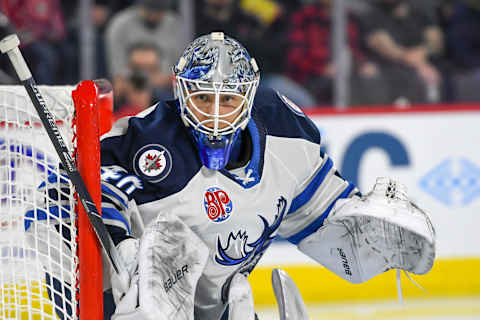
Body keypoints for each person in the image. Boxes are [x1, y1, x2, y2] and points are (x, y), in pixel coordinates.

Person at [29, 32, 435, 319]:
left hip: (214, 302)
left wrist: (358, 217)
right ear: (181, 92)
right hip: (123, 304)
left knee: (237, 297)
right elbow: (68, 192)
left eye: (229, 98)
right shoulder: (151, 140)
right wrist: (120, 250)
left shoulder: (284, 132)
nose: (216, 112)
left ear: (250, 95)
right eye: (204, 97)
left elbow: (320, 214)